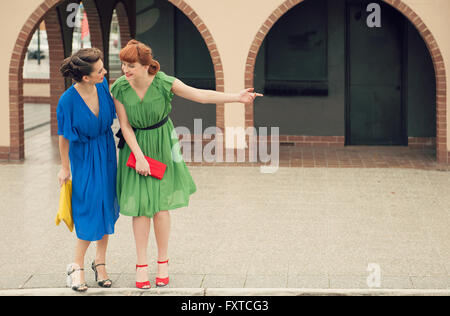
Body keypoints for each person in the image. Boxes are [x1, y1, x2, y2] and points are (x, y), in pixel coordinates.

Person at [111, 39, 262, 289]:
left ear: (146, 65)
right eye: (123, 64)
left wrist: (236, 97)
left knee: (160, 206)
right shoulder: (118, 87)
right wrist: (138, 156)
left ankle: (163, 263)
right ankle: (140, 265)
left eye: (131, 65)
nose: (126, 70)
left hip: (162, 144)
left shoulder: (164, 82)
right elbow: (124, 125)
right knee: (139, 207)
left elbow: (200, 96)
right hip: (134, 145)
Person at [57, 48, 120, 292]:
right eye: (100, 70)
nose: (105, 72)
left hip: (105, 151)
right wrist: (65, 168)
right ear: (85, 77)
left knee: (106, 204)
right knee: (87, 208)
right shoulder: (67, 101)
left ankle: (100, 262)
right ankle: (76, 265)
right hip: (83, 156)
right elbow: (63, 137)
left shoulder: (102, 87)